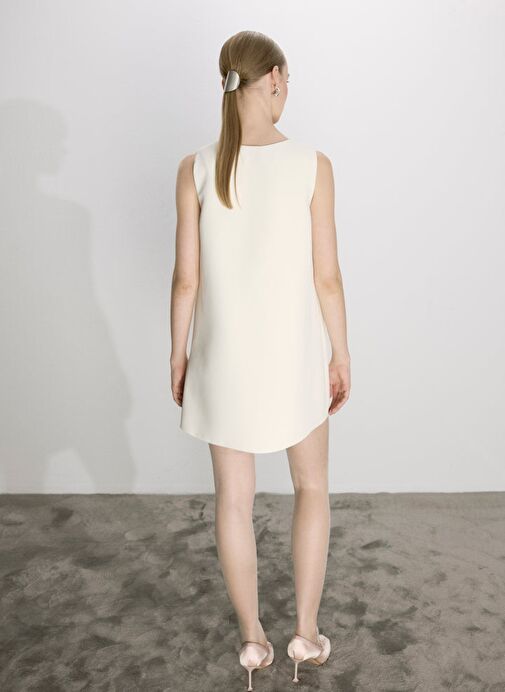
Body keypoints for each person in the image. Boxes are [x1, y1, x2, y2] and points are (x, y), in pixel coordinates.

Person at [170, 30, 350, 690]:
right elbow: (326, 277)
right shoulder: (311, 165)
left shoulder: (195, 167)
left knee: (233, 502)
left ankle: (253, 641)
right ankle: (305, 633)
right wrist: (340, 352)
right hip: (293, 359)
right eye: (286, 82)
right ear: (272, 78)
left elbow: (185, 280)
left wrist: (178, 355)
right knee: (311, 489)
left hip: (222, 361)